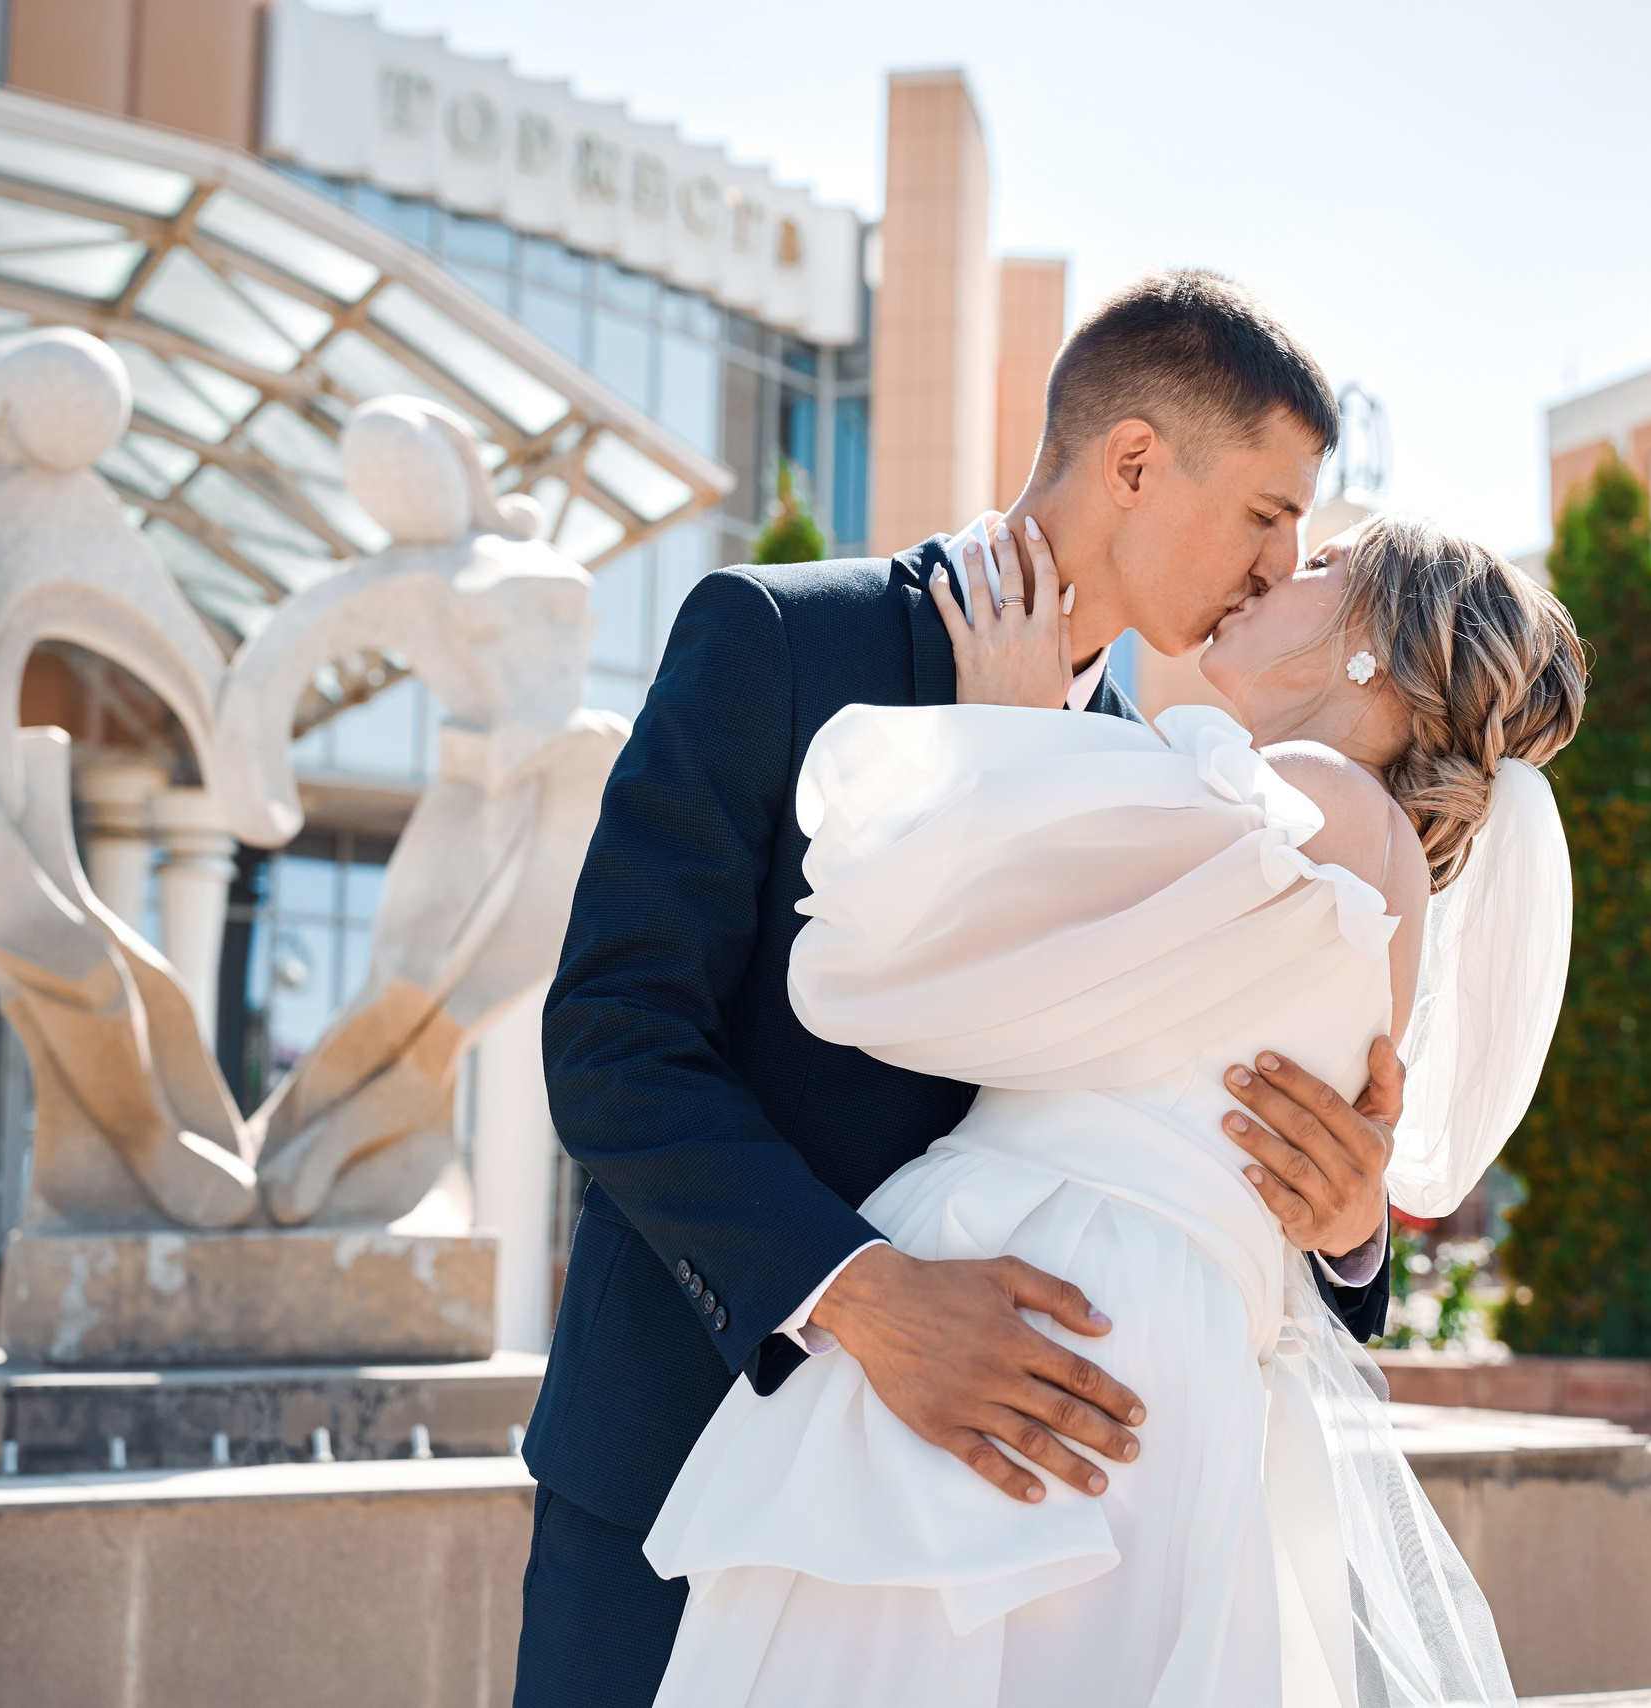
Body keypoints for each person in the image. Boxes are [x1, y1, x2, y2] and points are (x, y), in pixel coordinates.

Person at [517, 272, 1413, 1706]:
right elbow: (615, 1038)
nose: (1279, 565)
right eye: (1265, 515)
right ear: (1133, 461)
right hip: (683, 1453)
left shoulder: (1171, 774)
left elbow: (1215, 1105)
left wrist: (1351, 1224)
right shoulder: (779, 639)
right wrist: (861, 1295)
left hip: (1021, 1546)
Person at [640, 507, 1580, 1705]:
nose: (1281, 568)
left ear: (1376, 651)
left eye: (1327, 562)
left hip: (1050, 1320)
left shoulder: (1305, 794)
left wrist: (1004, 738)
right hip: (1152, 1345)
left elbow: (935, 981)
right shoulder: (1367, 853)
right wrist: (1353, 1235)